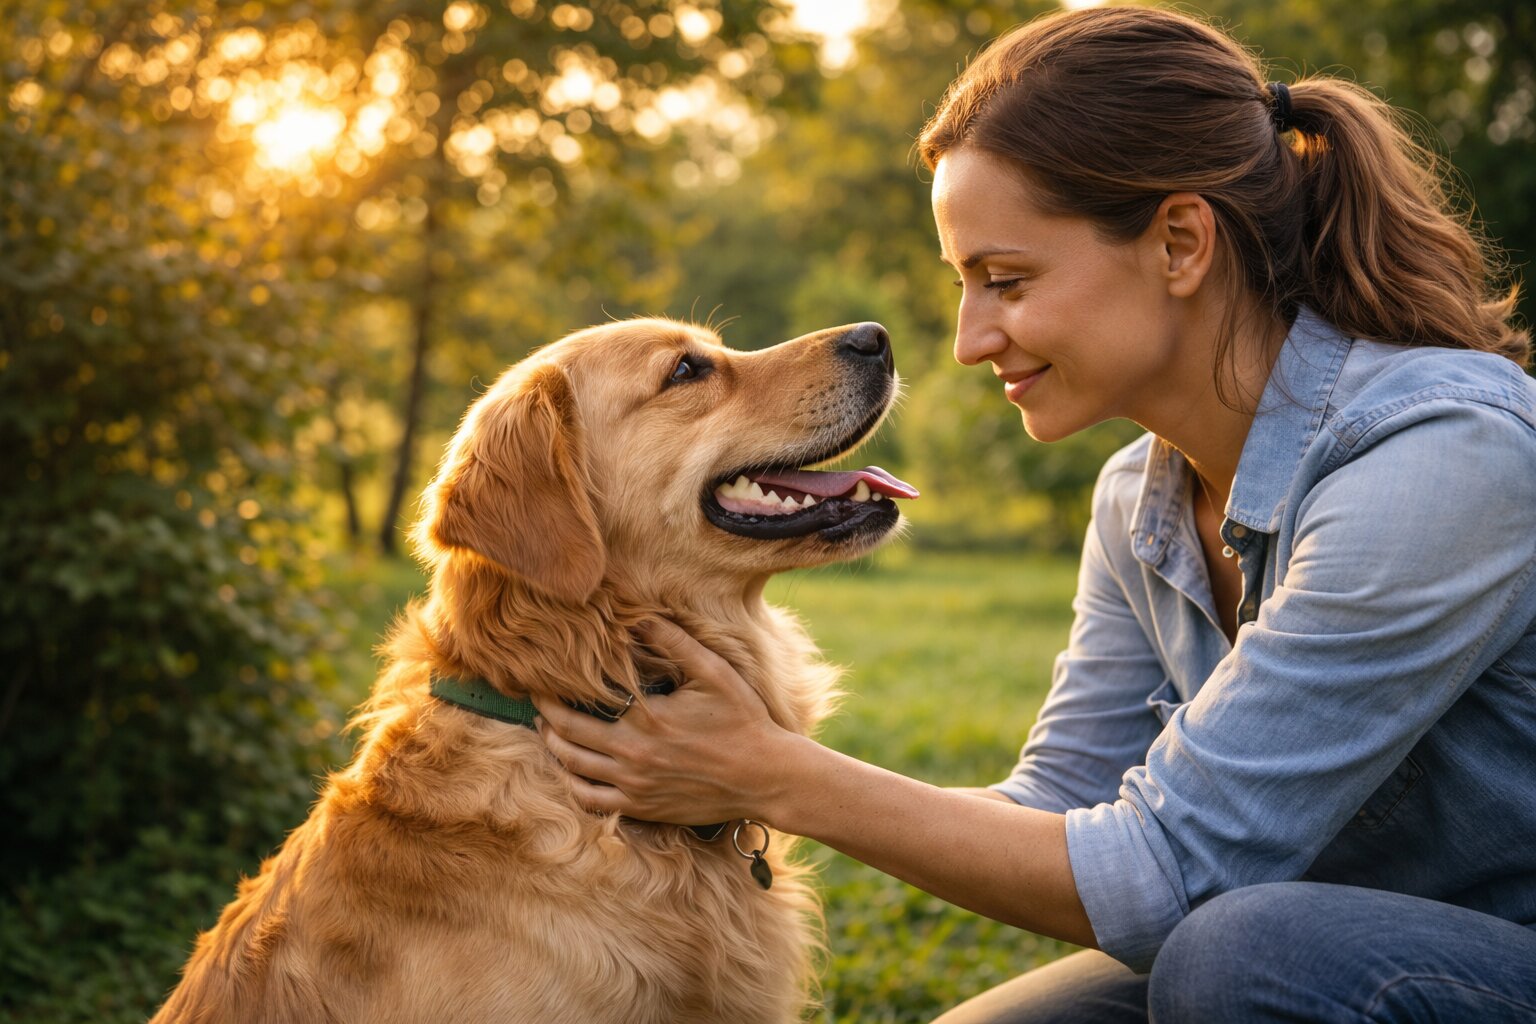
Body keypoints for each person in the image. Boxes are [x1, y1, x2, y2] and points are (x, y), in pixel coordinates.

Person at [533, 6, 1536, 1021]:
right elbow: (1057, 809)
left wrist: (774, 775)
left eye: (1005, 281)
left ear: (1180, 243)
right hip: (1320, 949)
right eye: (964, 284)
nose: (969, 340)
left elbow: (1165, 872)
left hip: (1470, 954)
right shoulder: (1139, 502)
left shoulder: (1442, 459)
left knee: (1238, 953)